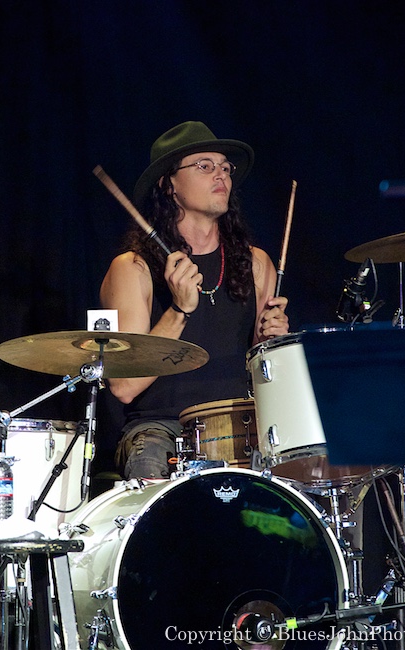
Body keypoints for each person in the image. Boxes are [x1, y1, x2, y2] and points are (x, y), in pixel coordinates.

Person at [99, 120, 290, 480]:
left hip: (241, 424)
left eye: (225, 168)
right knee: (151, 460)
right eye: (204, 166)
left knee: (320, 466)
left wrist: (271, 344)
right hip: (162, 429)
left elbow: (264, 375)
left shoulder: (255, 263)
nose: (220, 175)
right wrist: (179, 310)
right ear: (168, 183)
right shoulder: (134, 268)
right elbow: (124, 387)